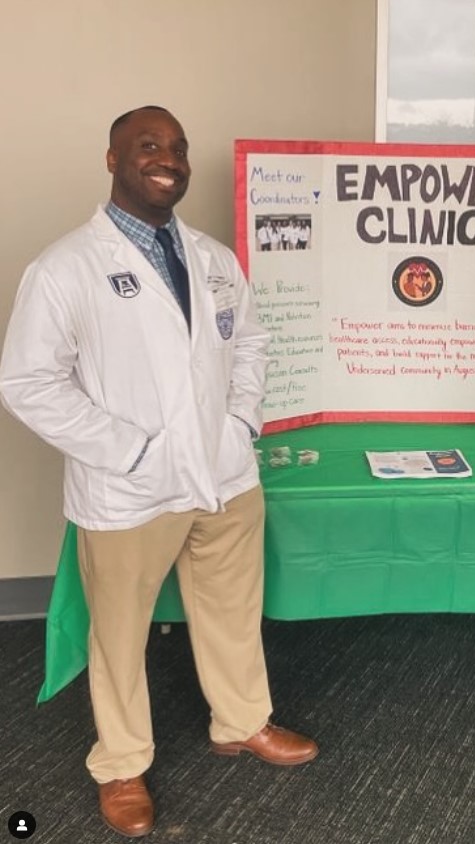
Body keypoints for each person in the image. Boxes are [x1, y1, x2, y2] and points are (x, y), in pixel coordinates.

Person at [0, 106, 318, 838]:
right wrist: (131, 450)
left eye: (176, 147)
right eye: (147, 145)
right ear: (112, 159)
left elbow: (252, 345)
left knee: (234, 612)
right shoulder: (64, 268)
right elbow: (28, 383)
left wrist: (238, 426)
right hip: (129, 489)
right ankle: (120, 765)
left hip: (225, 478)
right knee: (118, 635)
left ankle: (241, 721)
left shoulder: (211, 257)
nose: (166, 157)